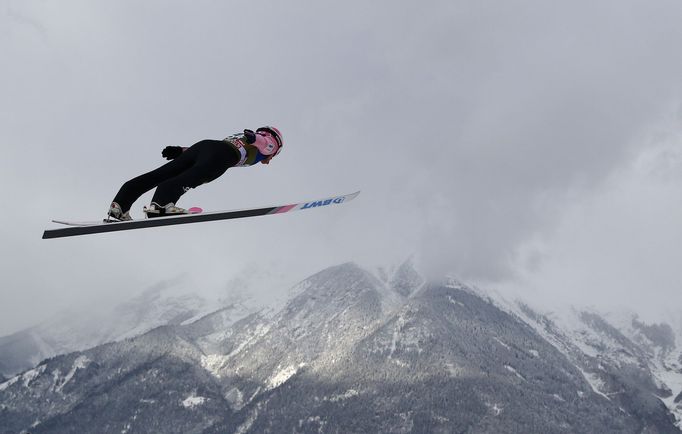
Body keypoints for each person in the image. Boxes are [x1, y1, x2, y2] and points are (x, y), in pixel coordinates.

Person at [106, 126, 283, 221]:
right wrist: (257, 139)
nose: (270, 159)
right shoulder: (269, 144)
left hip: (204, 147)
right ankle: (161, 206)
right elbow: (263, 142)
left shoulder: (239, 138)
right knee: (193, 177)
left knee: (161, 174)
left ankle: (120, 205)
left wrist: (181, 151)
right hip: (222, 156)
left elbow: (213, 150)